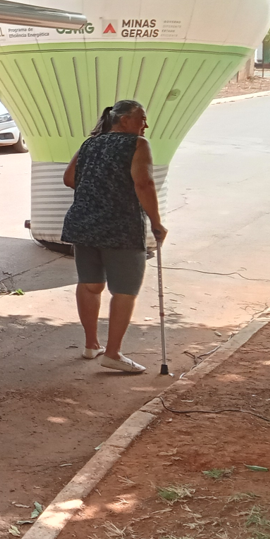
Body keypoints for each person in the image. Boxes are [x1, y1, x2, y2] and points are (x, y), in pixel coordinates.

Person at [61, 100, 167, 373]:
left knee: (90, 284)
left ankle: (91, 345)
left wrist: (97, 187)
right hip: (121, 226)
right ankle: (113, 353)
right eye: (141, 119)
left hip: (83, 223)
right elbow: (144, 183)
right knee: (124, 290)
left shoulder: (90, 143)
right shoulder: (137, 145)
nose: (145, 125)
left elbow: (69, 178)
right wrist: (156, 222)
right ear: (124, 120)